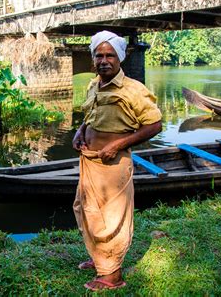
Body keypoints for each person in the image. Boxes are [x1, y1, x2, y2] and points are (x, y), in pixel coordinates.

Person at [72, 30, 162, 291]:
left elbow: (154, 125)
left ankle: (112, 276)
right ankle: (99, 258)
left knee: (111, 218)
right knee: (86, 209)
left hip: (113, 164)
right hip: (90, 160)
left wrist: (118, 145)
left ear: (120, 57)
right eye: (99, 55)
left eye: (110, 55)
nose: (104, 60)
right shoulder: (93, 85)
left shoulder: (134, 89)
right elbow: (90, 117)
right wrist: (80, 132)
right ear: (93, 59)